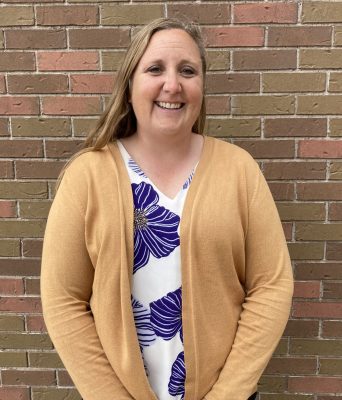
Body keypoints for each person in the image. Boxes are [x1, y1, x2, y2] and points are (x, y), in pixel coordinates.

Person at [40, 18, 294, 400]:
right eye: (155, 69)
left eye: (187, 71)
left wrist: (228, 393)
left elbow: (272, 285)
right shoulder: (87, 175)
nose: (172, 85)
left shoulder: (239, 170)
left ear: (201, 87)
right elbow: (63, 300)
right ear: (130, 87)